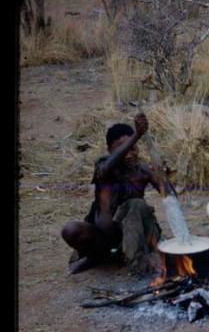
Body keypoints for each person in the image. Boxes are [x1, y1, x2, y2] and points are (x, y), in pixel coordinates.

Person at [61, 113, 165, 276]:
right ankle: (99, 257)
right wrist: (137, 135)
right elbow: (106, 168)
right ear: (110, 150)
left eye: (134, 148)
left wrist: (162, 176)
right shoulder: (104, 167)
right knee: (70, 230)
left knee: (136, 204)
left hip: (139, 234)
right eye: (123, 149)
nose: (130, 154)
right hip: (105, 238)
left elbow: (168, 195)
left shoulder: (142, 170)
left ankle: (136, 263)